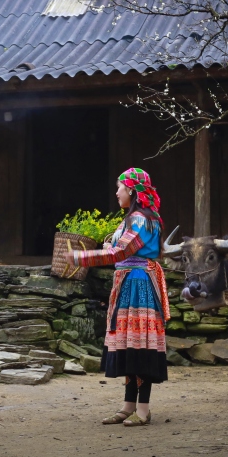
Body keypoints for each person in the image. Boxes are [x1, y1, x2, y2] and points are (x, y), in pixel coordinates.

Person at [66, 168, 169, 427]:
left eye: (119, 187)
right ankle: (128, 406)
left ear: (131, 190)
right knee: (129, 343)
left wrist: (80, 258)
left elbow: (121, 253)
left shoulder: (140, 220)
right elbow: (119, 250)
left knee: (140, 344)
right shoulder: (136, 218)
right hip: (128, 282)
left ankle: (143, 410)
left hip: (138, 284)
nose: (116, 192)